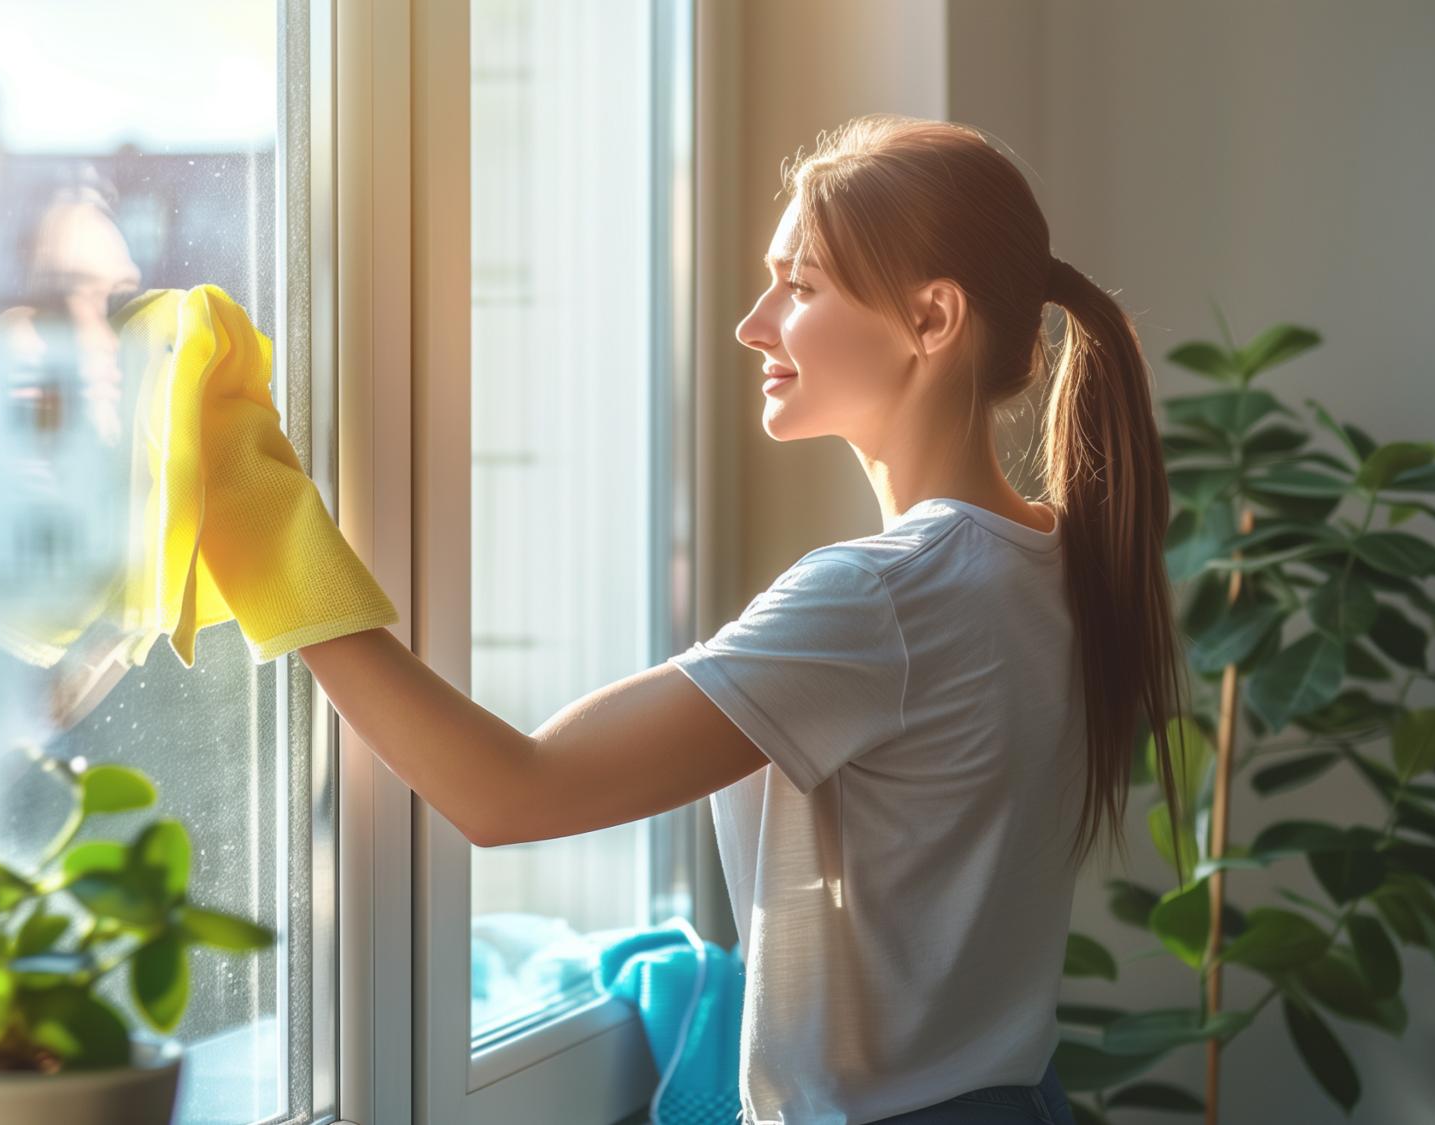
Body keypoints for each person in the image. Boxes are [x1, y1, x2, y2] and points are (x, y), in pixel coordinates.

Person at [290, 114, 1190, 1124]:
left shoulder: (881, 596)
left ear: (932, 319)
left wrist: (288, 567)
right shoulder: (1056, 558)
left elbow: (510, 795)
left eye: (799, 288)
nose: (753, 324)